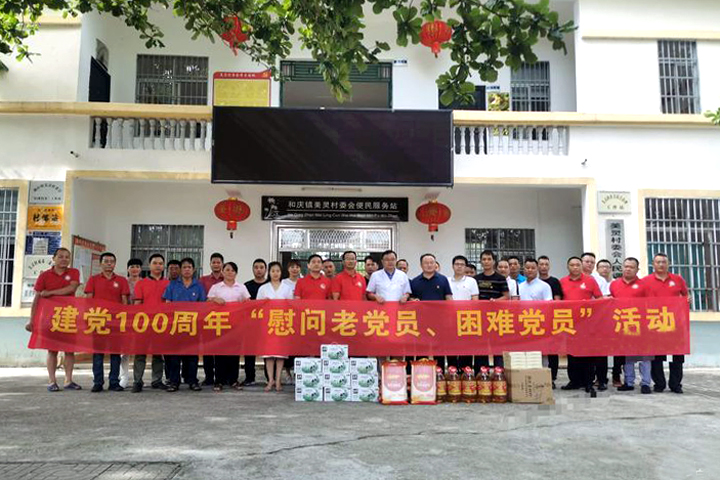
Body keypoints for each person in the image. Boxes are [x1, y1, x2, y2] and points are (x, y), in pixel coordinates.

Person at [26, 247, 81, 392]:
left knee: (70, 350)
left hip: (69, 315)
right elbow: (37, 298)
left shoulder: (74, 272)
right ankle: (52, 381)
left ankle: (68, 380)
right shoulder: (44, 276)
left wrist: (49, 293)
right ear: (54, 258)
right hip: (50, 317)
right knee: (52, 349)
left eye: (67, 257)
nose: (64, 259)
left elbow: (71, 289)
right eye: (61, 256)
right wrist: (32, 320)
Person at [644, 252, 690, 394]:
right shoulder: (646, 281)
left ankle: (676, 384)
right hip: (655, 322)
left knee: (677, 354)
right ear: (653, 264)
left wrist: (687, 300)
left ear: (668, 264)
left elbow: (686, 295)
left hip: (675, 322)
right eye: (658, 262)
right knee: (657, 355)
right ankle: (659, 384)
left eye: (664, 262)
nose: (661, 264)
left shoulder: (677, 279)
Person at [85, 252, 130, 392]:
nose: (109, 263)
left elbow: (124, 301)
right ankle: (98, 382)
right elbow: (89, 300)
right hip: (98, 320)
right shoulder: (93, 280)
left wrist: (124, 319)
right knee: (98, 353)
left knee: (115, 353)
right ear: (100, 263)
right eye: (106, 261)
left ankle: (114, 381)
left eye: (112, 261)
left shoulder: (122, 280)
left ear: (115, 264)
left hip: (115, 322)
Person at [560, 256, 604, 396]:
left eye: (577, 265)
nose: (575, 267)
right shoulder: (562, 282)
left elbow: (600, 299)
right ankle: (574, 381)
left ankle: (588, 382)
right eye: (572, 265)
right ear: (568, 267)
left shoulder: (590, 281)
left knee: (587, 354)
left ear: (581, 266)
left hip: (587, 323)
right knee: (572, 354)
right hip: (570, 323)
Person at [163, 257, 206, 392]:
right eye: (184, 267)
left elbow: (203, 306)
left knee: (192, 355)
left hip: (193, 326)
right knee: (175, 356)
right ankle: (174, 382)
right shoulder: (172, 285)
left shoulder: (198, 286)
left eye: (189, 267)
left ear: (193, 270)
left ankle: (192, 381)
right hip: (176, 326)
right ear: (180, 270)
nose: (187, 270)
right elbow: (167, 305)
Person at [207, 262, 250, 392]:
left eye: (232, 270)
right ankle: (219, 380)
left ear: (236, 273)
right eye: (227, 270)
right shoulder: (216, 287)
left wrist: (244, 302)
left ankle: (233, 380)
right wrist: (214, 300)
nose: (230, 272)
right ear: (222, 272)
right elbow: (207, 302)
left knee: (234, 353)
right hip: (220, 324)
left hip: (236, 325)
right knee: (219, 353)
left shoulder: (241, 287)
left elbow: (249, 303)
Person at [611, 257, 652, 394]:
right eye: (626, 266)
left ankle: (645, 383)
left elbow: (652, 304)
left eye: (631, 267)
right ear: (622, 267)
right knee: (628, 356)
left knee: (645, 356)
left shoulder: (644, 285)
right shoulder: (614, 284)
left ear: (637, 269)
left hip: (641, 325)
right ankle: (629, 382)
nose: (628, 269)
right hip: (623, 324)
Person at [132, 253, 169, 393]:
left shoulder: (168, 284)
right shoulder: (141, 283)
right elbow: (137, 304)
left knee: (158, 354)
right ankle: (137, 381)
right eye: (155, 263)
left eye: (160, 263)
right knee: (140, 354)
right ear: (149, 265)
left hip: (161, 324)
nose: (158, 266)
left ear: (163, 266)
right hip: (144, 324)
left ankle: (157, 380)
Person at [410, 253, 453, 369]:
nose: (429, 265)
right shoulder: (415, 281)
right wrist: (413, 300)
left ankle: (439, 373)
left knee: (439, 349)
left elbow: (449, 298)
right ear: (421, 265)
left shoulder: (443, 279)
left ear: (435, 264)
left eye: (431, 262)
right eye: (426, 263)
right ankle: (421, 372)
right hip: (421, 322)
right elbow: (410, 299)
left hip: (439, 321)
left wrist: (450, 316)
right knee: (421, 348)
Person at [257, 261, 294, 392]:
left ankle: (278, 380)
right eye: (273, 271)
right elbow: (257, 306)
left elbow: (291, 306)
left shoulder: (287, 288)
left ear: (281, 272)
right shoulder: (263, 288)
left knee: (280, 354)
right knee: (269, 354)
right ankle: (270, 380)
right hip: (268, 324)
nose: (275, 273)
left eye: (278, 271)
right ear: (269, 273)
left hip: (282, 324)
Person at [474, 250, 509, 369]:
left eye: (489, 259)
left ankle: (499, 372)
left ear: (494, 261)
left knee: (497, 347)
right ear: (480, 261)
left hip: (496, 317)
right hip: (480, 318)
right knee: (480, 347)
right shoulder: (476, 279)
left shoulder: (500, 278)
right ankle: (481, 372)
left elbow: (506, 296)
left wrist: (496, 301)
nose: (486, 262)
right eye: (484, 259)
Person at [449, 255, 479, 372]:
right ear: (453, 266)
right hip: (450, 318)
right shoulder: (447, 281)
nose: (459, 267)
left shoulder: (472, 281)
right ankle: (452, 371)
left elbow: (475, 300)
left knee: (466, 346)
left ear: (465, 267)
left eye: (462, 264)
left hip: (466, 318)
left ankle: (465, 371)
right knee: (451, 345)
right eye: (457, 264)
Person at [199, 253, 225, 386]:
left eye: (218, 262)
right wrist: (213, 300)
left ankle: (221, 377)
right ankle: (209, 377)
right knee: (207, 350)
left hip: (224, 320)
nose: (216, 264)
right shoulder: (203, 280)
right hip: (207, 319)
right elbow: (201, 298)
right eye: (213, 262)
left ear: (222, 264)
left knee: (221, 349)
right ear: (210, 264)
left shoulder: (227, 278)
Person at [538, 255, 563, 387]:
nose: (543, 267)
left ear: (549, 266)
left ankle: (552, 377)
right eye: (541, 264)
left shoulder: (554, 282)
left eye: (546, 264)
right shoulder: (533, 282)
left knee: (552, 349)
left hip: (551, 320)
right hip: (535, 320)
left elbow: (557, 301)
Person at [596, 258, 621, 386]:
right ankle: (600, 377)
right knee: (600, 350)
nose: (604, 269)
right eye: (602, 267)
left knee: (618, 350)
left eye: (607, 267)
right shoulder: (594, 283)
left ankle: (616, 375)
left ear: (611, 269)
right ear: (597, 269)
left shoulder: (617, 283)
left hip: (615, 320)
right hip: (599, 322)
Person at [243, 258, 268, 387]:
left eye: (261, 267)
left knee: (269, 351)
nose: (259, 270)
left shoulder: (270, 285)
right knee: (249, 351)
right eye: (256, 267)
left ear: (265, 270)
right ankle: (249, 377)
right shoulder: (246, 285)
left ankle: (270, 377)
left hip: (268, 323)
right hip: (251, 323)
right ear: (253, 269)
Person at [119, 258, 142, 388]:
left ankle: (138, 378)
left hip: (141, 319)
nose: (135, 269)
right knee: (124, 350)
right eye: (132, 266)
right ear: (128, 269)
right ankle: (124, 377)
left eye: (137, 266)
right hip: (126, 319)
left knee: (140, 350)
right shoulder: (123, 282)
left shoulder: (144, 283)